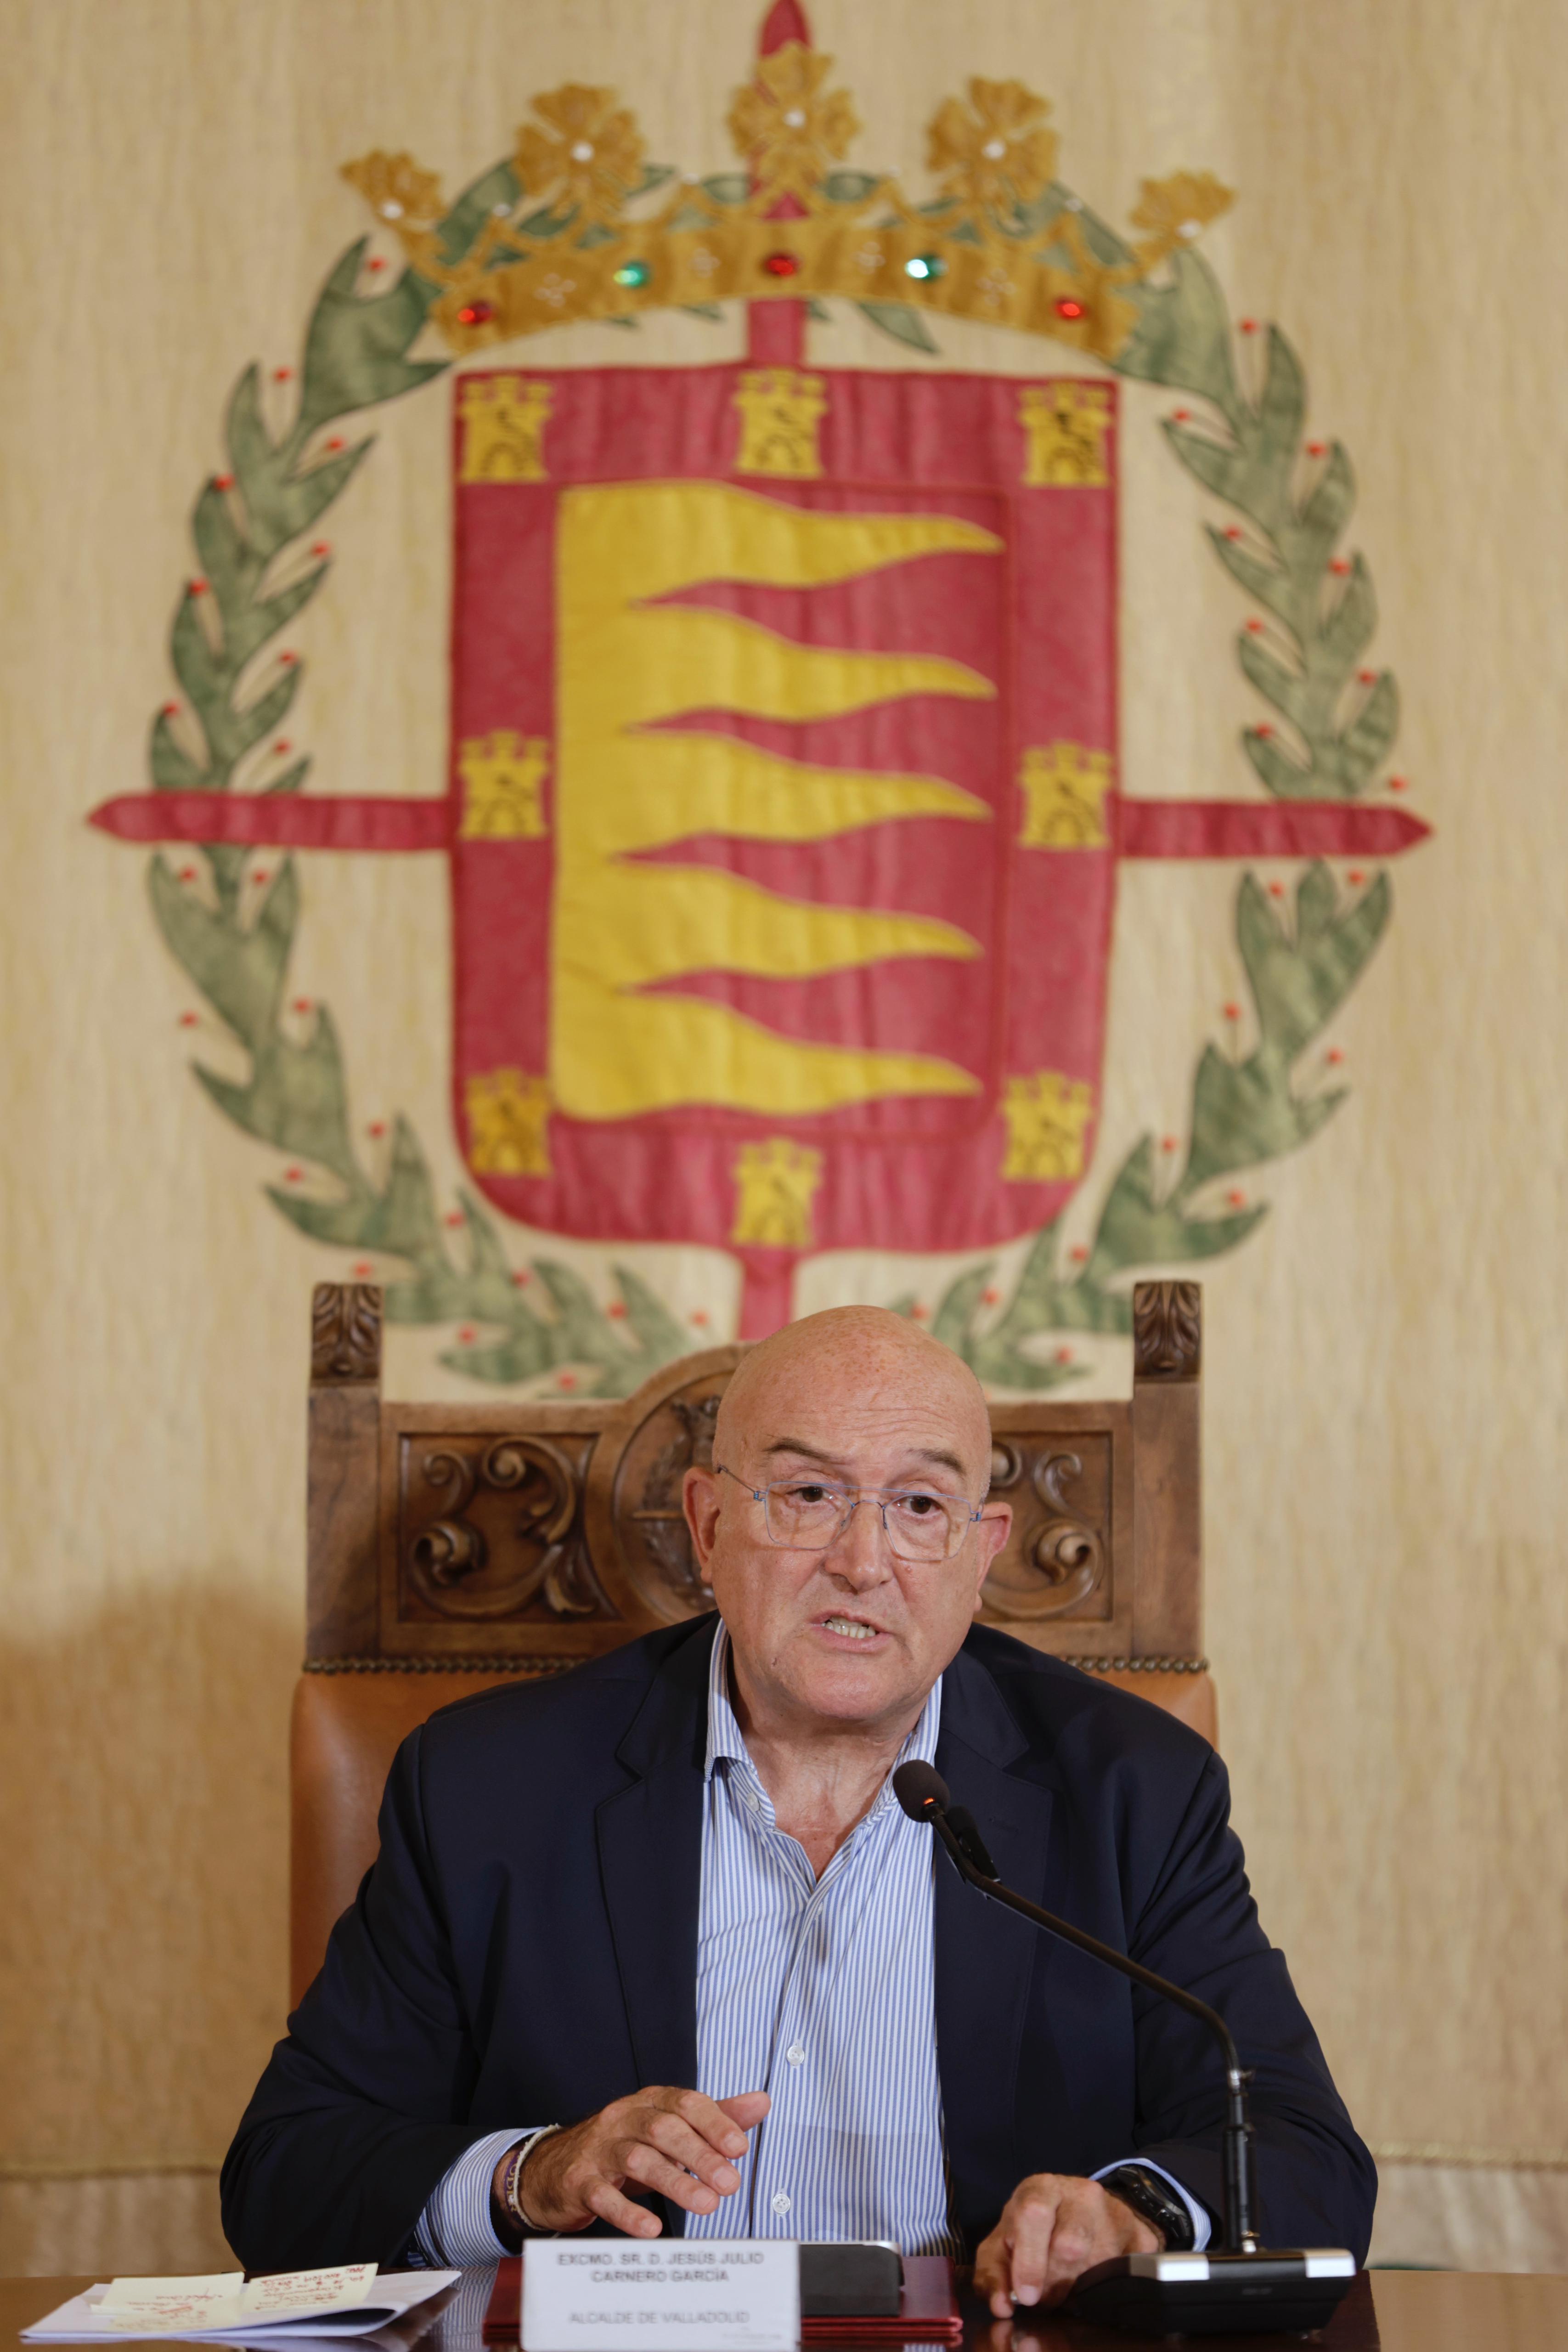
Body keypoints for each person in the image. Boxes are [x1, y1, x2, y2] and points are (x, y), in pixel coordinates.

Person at [223, 1307, 1374, 2309]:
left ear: (981, 1553)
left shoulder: (1131, 1788)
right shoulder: (489, 1787)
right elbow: (287, 2174)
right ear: (709, 1525)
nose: (863, 1560)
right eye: (810, 1493)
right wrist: (533, 2174)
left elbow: (1301, 2150)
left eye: (919, 1503)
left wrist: (1134, 2216)